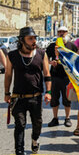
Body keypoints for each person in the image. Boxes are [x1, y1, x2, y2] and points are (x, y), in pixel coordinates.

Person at [4, 27, 52, 155]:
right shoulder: (12, 55)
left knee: (38, 123)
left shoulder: (42, 53)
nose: (34, 41)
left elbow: (47, 74)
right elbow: (8, 75)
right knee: (19, 124)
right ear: (22, 40)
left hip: (35, 97)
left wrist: (48, 92)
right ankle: (19, 151)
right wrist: (6, 93)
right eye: (30, 38)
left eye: (35, 38)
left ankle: (35, 140)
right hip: (18, 97)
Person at [46, 26, 78, 128]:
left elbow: (76, 60)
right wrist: (51, 63)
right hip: (54, 76)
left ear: (67, 33)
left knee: (66, 98)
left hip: (67, 76)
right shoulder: (52, 46)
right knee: (54, 98)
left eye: (64, 32)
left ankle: (67, 118)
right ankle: (55, 118)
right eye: (59, 32)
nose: (61, 33)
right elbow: (45, 59)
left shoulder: (71, 46)